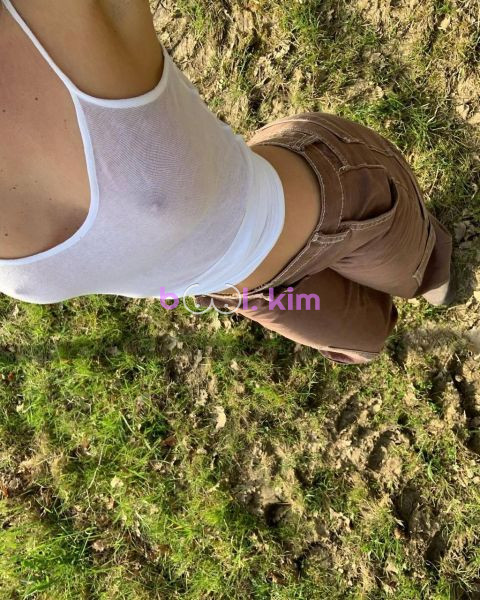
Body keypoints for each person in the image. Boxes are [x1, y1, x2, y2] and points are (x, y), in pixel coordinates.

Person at [0, 0, 453, 365]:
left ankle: (429, 264)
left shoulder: (48, 18)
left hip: (332, 203)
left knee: (419, 276)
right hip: (242, 293)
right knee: (367, 342)